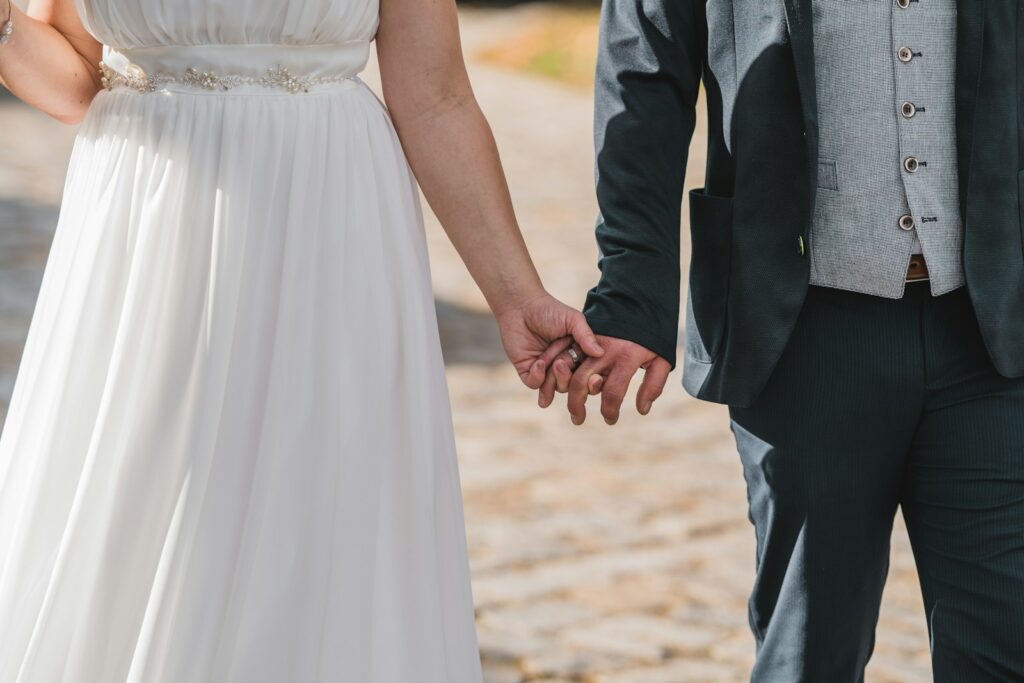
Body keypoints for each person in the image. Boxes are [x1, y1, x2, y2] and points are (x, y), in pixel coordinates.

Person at [0, 0, 602, 680]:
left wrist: (517, 296)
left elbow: (434, 97)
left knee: (312, 522)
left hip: (325, 219)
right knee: (143, 504)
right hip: (148, 236)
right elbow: (76, 78)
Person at [542, 1, 1024, 680]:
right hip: (804, 328)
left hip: (992, 320)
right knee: (809, 654)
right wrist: (633, 292)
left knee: (1007, 646)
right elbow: (645, 60)